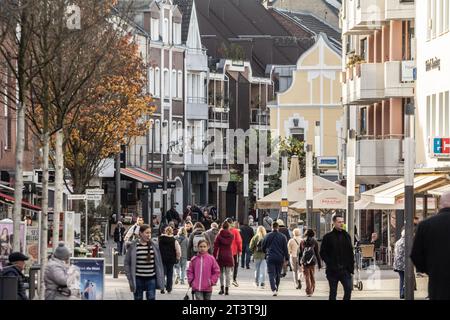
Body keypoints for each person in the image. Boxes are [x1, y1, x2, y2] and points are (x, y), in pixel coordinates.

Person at [411, 191, 450, 300]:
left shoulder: (425, 225)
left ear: (440, 205)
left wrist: (430, 269)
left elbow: (415, 254)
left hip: (437, 283)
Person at [124, 224, 164, 300]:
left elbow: (159, 263)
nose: (149, 235)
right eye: (147, 233)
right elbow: (127, 263)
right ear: (140, 233)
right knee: (138, 298)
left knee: (151, 298)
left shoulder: (154, 245)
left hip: (151, 279)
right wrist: (129, 277)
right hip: (138, 279)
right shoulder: (133, 246)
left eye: (150, 233)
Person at [320, 214, 354, 300]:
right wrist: (330, 263)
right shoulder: (328, 237)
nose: (341, 224)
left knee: (348, 289)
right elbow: (322, 253)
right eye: (339, 222)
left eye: (342, 222)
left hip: (345, 270)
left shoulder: (347, 236)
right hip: (332, 271)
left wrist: (351, 267)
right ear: (334, 223)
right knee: (333, 292)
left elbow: (350, 252)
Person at [262, 221, 289, 296]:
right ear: (278, 227)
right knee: (278, 274)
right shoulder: (283, 236)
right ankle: (276, 287)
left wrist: (265, 252)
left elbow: (263, 246)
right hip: (280, 257)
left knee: (271, 273)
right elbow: (285, 249)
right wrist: (287, 258)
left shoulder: (267, 236)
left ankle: (273, 289)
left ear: (271, 227)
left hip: (270, 257)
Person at [213, 221, 234, 296]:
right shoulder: (231, 235)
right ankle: (227, 289)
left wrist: (214, 257)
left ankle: (221, 288)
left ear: (222, 226)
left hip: (221, 255)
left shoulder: (218, 236)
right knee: (228, 273)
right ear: (228, 227)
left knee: (221, 273)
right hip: (228, 254)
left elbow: (215, 247)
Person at [158, 226, 181, 294]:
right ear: (172, 232)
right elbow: (178, 251)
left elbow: (157, 248)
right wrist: (178, 258)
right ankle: (169, 288)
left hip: (162, 259)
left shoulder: (160, 239)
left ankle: (162, 287)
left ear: (165, 231)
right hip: (171, 259)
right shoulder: (174, 240)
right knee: (170, 274)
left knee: (163, 273)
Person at [299, 229, 321, 297]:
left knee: (306, 276)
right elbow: (317, 253)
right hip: (312, 262)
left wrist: (300, 261)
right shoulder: (315, 241)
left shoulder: (302, 241)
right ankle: (312, 289)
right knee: (312, 276)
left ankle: (309, 291)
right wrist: (319, 264)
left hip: (305, 262)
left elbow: (301, 253)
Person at [229, 219, 242, 287]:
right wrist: (240, 250)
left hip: (225, 251)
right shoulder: (235, 231)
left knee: (226, 266)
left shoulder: (222, 231)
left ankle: (226, 281)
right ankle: (234, 279)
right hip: (234, 251)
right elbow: (239, 241)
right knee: (235, 266)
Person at [393, 229, 406, 299]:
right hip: (404, 264)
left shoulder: (397, 242)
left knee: (401, 278)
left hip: (398, 264)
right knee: (405, 279)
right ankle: (403, 292)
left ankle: (401, 293)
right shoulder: (406, 242)